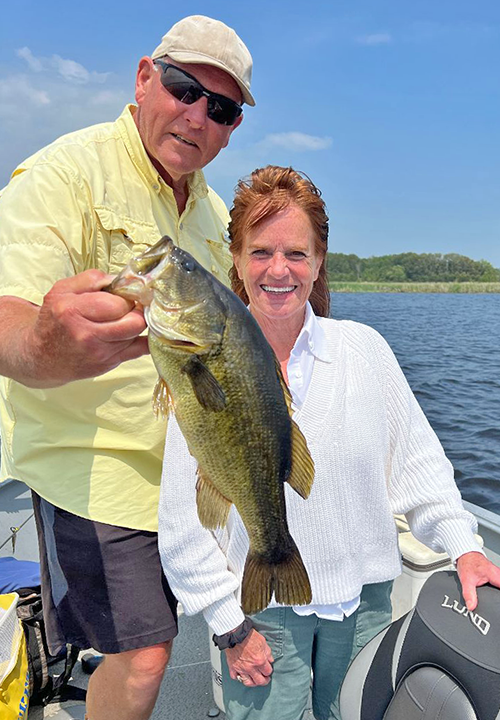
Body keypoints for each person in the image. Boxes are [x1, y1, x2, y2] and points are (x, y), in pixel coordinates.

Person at [158, 165, 500, 720]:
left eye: (296, 253)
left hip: (366, 605)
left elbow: (419, 464)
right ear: (238, 264)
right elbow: (183, 519)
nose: (278, 269)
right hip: (259, 610)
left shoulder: (366, 349)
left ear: (318, 263)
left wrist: (465, 546)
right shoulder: (204, 364)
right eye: (260, 251)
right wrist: (228, 624)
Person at [0, 15, 254, 720]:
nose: (197, 115)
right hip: (94, 465)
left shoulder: (211, 212)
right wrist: (42, 343)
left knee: (153, 636)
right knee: (145, 655)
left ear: (232, 127)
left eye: (222, 108)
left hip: (184, 463)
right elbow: (5, 316)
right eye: (183, 87)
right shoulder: (65, 173)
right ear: (145, 78)